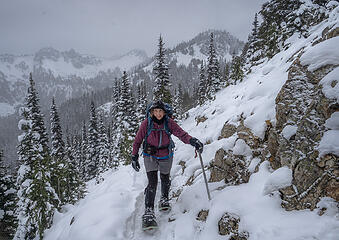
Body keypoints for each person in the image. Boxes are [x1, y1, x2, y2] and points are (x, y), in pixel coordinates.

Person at [131, 100, 203, 229]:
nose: (158, 114)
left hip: (166, 154)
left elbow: (181, 134)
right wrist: (134, 156)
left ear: (164, 112)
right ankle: (148, 211)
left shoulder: (169, 123)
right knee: (152, 182)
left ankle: (164, 198)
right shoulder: (146, 124)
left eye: (160, 111)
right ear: (152, 112)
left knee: (165, 177)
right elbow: (137, 141)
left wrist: (192, 141)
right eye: (156, 111)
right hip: (150, 155)